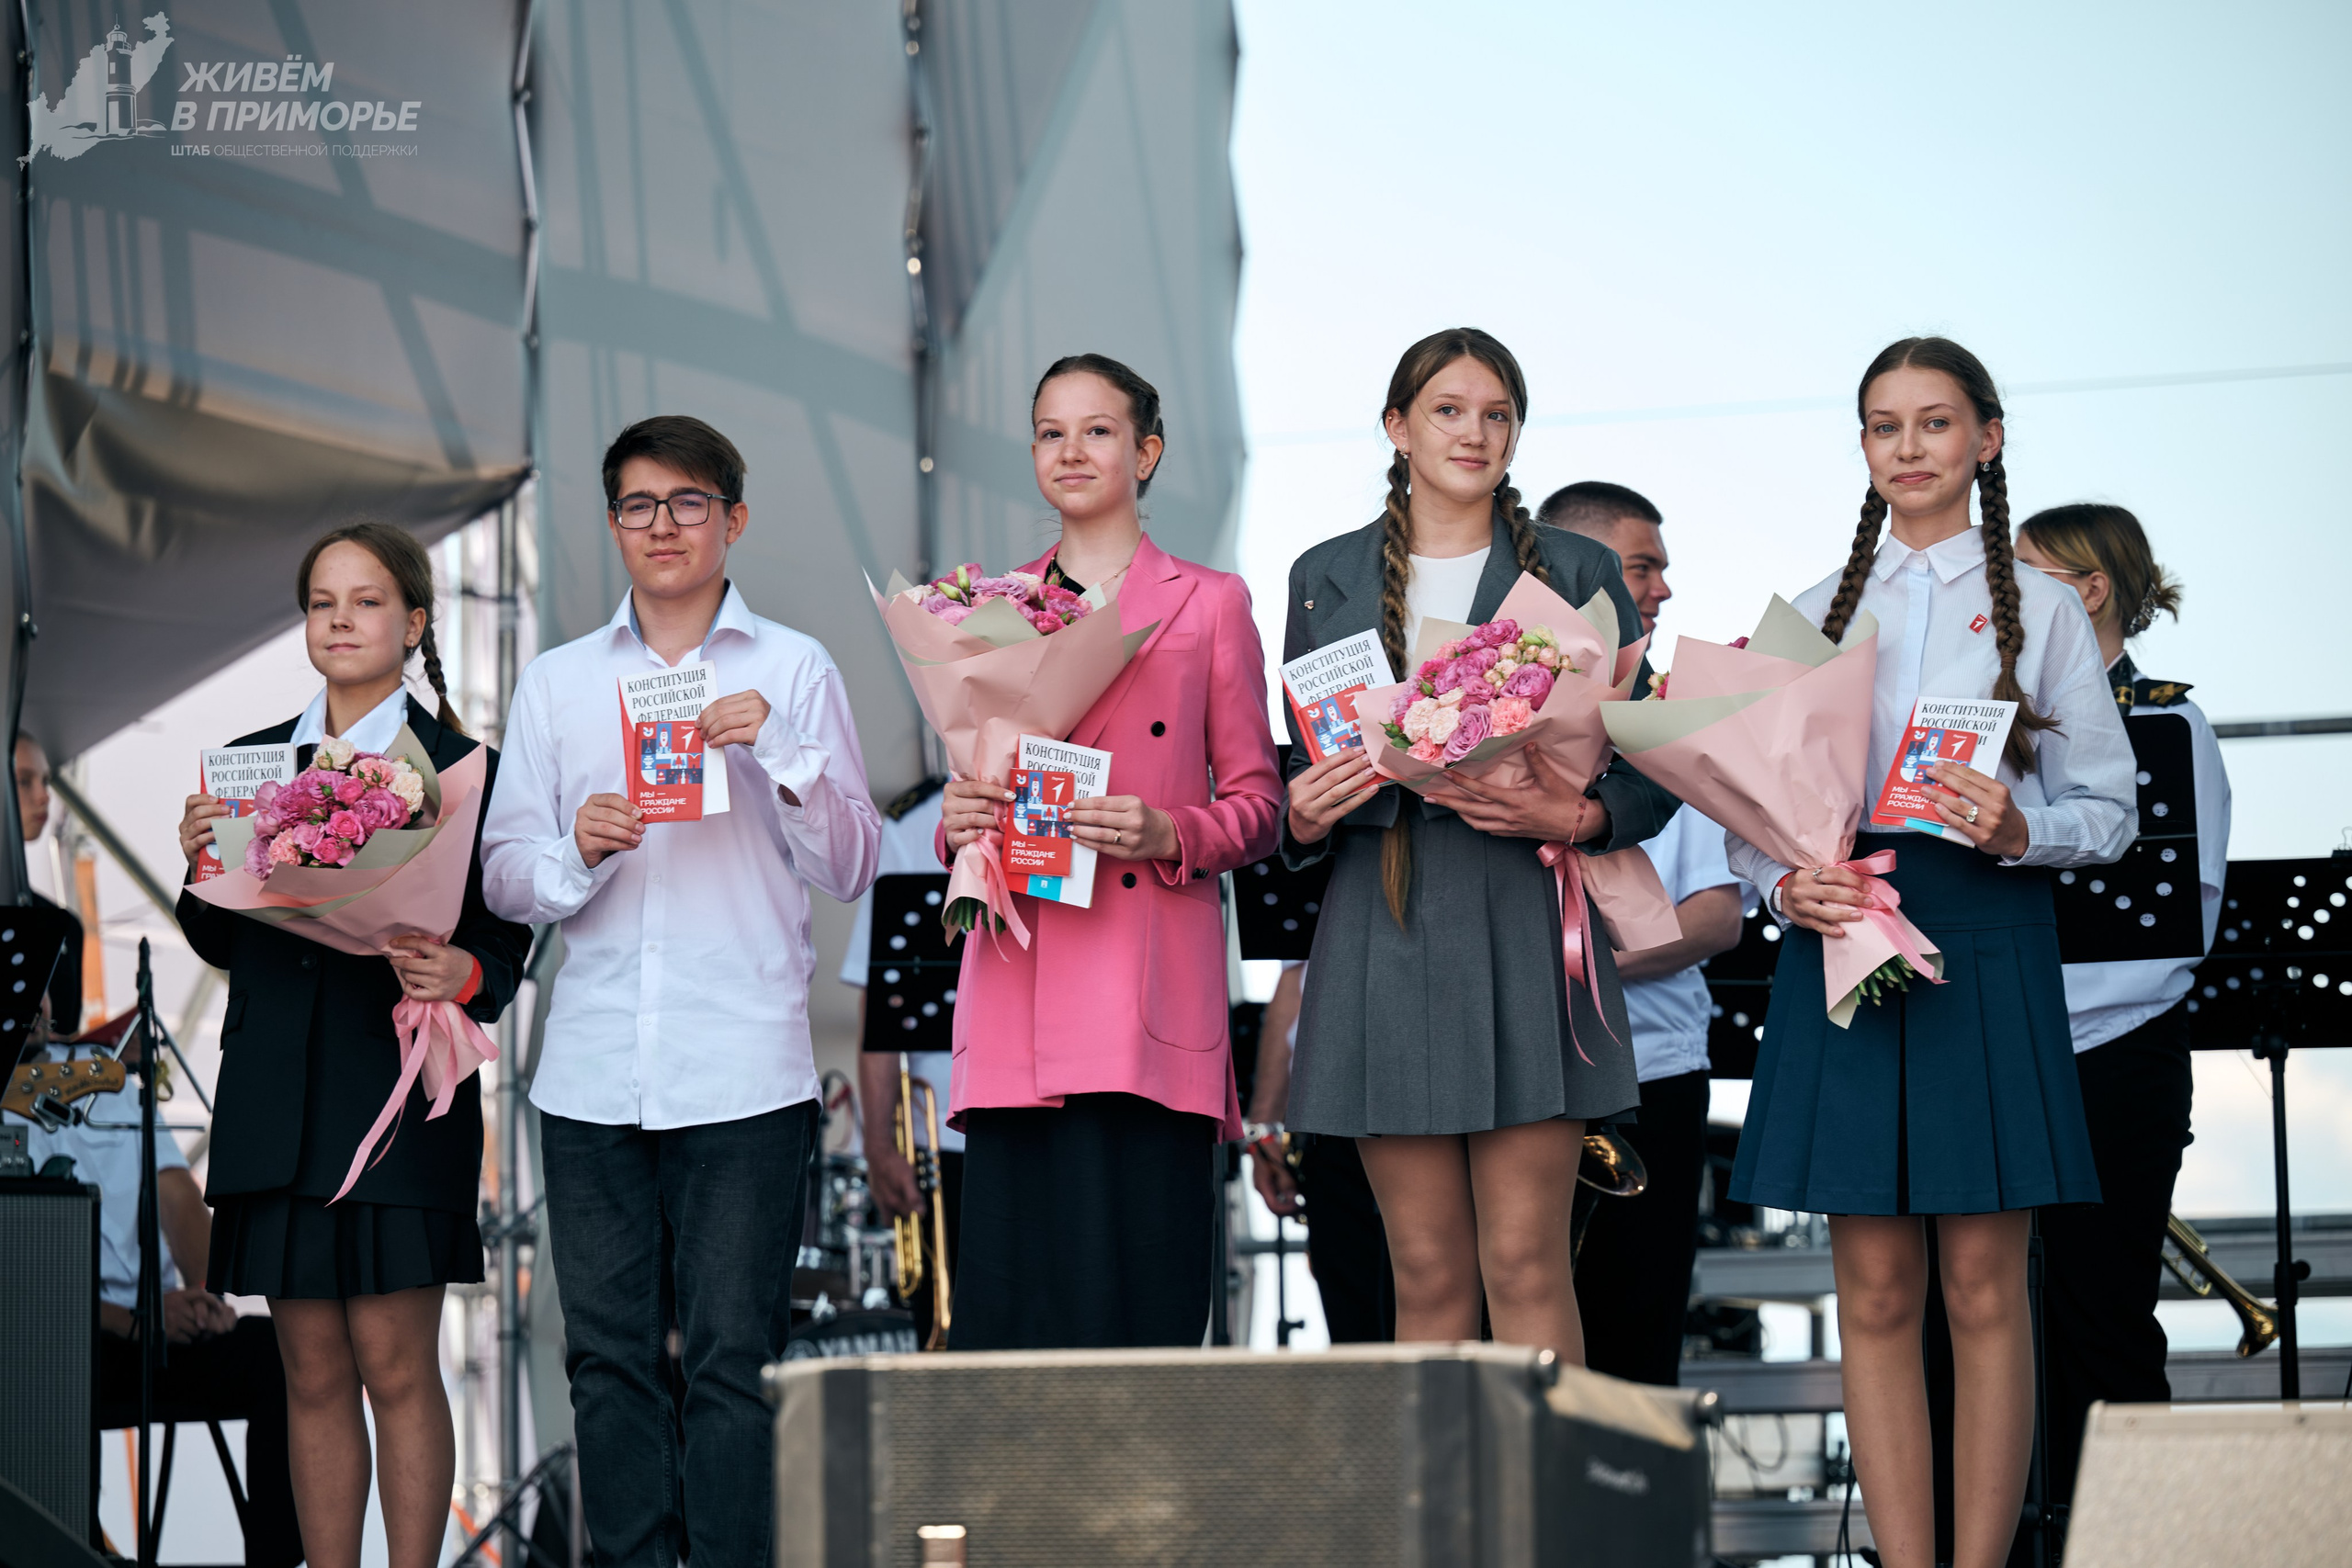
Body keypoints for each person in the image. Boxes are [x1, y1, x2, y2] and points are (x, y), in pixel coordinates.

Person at [1724, 337, 2132, 1568]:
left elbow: (2106, 812)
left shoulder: (2046, 605)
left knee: (1984, 1287)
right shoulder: (1809, 613)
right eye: (1884, 426)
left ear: (1985, 441)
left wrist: (2023, 826)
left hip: (1987, 926)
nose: (1908, 447)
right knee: (1879, 1291)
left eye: (1934, 423)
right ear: (1863, 449)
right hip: (1845, 929)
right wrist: (1782, 883)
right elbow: (1747, 815)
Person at [480, 415, 881, 1568]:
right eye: (639, 505)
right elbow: (506, 876)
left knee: (731, 1365)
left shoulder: (794, 668)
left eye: (689, 502)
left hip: (744, 1068)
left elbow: (851, 863)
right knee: (603, 1363)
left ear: (733, 520)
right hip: (595, 1070)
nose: (664, 526)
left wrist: (784, 755)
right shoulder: (558, 685)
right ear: (612, 524)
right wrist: (575, 850)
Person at [1279, 328, 1678, 1361]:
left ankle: (1546, 1520)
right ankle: (1450, 1527)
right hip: (1383, 911)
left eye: (1497, 413)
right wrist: (1305, 810)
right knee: (1424, 1271)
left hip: (1523, 916)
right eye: (1449, 410)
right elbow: (1299, 768)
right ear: (1396, 426)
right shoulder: (1321, 575)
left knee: (1528, 1262)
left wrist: (1583, 818)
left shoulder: (1581, 566)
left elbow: (1651, 759)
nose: (1475, 432)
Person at [175, 523, 531, 1568]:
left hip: (394, 1092)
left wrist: (465, 973)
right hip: (276, 1100)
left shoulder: (463, 769)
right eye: (323, 601)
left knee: (395, 1365)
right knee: (311, 1370)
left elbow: (507, 935)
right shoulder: (248, 765)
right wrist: (198, 860)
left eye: (366, 600)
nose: (340, 619)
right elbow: (220, 938)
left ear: (413, 622)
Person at [938, 354, 1282, 1350]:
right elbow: (972, 790)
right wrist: (957, 819)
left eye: (1097, 429)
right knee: (1013, 1316)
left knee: (1141, 1308)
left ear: (1147, 450)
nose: (1072, 450)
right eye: (1051, 431)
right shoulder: (983, 612)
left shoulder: (1210, 602)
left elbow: (1260, 805)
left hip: (1145, 986)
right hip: (1017, 975)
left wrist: (1169, 830)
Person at [2014, 502, 2229, 1510]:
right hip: (2000, 1053)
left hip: (2113, 1053)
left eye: (2022, 574)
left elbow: (2176, 929)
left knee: (2103, 1321)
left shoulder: (2165, 722)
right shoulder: (1988, 720)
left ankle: (2128, 1538)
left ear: (2087, 590)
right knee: (1984, 1322)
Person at [1540, 481, 1747, 1386]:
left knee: (1635, 1340)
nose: (1661, 590)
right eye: (1641, 568)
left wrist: (1571, 966)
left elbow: (1714, 915)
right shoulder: (1489, 712)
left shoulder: (1674, 721)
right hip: (1518, 1080)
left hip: (1648, 1073)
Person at [844, 776, 962, 1347]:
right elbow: (881, 996)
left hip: (1047, 1120)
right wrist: (879, 1145)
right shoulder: (911, 822)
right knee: (946, 1334)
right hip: (944, 1141)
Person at [1246, 960, 1394, 1342]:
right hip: (1329, 1109)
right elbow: (1295, 975)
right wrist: (1263, 1129)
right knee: (1355, 1317)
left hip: (1420, 1088)